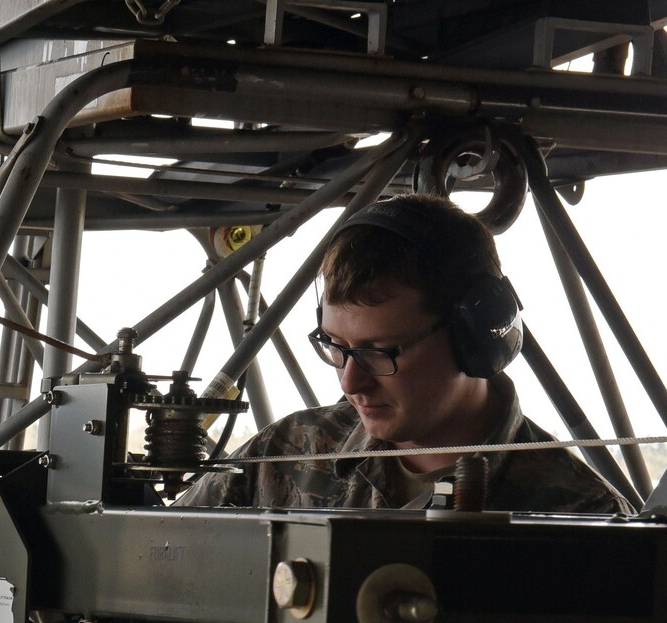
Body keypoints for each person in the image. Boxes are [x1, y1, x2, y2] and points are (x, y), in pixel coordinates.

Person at [179, 193, 622, 513]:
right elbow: (153, 579)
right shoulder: (287, 454)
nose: (351, 383)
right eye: (336, 346)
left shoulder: (580, 511)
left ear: (475, 336)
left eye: (380, 352)